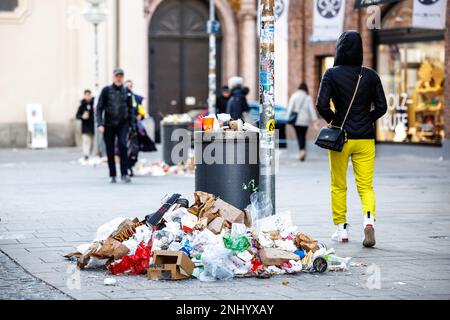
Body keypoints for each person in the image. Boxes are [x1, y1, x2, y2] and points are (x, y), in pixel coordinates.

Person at [316, 31, 387, 248]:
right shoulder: (371, 75)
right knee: (366, 186)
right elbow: (382, 107)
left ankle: (342, 229)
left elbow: (321, 105)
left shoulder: (331, 74)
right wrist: (366, 118)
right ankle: (368, 219)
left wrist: (335, 120)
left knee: (338, 185)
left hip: (341, 138)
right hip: (365, 139)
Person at [96, 68, 133, 184]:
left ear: (123, 77)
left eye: (121, 76)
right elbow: (99, 108)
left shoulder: (126, 91)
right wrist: (100, 123)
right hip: (109, 124)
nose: (119, 77)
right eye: (117, 75)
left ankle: (124, 173)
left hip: (123, 124)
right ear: (113, 76)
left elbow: (131, 109)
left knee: (123, 146)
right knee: (110, 149)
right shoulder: (106, 90)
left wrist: (132, 126)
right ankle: (112, 174)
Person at [124, 80, 156, 176]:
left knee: (135, 149)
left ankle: (130, 166)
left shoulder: (136, 98)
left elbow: (141, 111)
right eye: (127, 86)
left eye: (130, 86)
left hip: (135, 127)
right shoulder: (121, 97)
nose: (128, 88)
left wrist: (140, 116)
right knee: (124, 148)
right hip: (124, 127)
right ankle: (125, 167)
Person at [287, 83, 319, 162]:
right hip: (305, 120)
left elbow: (290, 107)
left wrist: (287, 118)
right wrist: (314, 120)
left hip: (296, 120)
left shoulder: (294, 95)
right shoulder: (308, 97)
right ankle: (302, 150)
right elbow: (311, 110)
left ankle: (301, 151)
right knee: (303, 136)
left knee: (299, 135)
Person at [76, 89, 95, 161]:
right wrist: (82, 116)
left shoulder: (94, 104)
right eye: (86, 95)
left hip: (92, 126)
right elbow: (77, 115)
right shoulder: (82, 105)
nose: (88, 96)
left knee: (92, 142)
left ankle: (89, 154)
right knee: (86, 141)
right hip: (85, 126)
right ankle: (86, 155)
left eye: (89, 95)